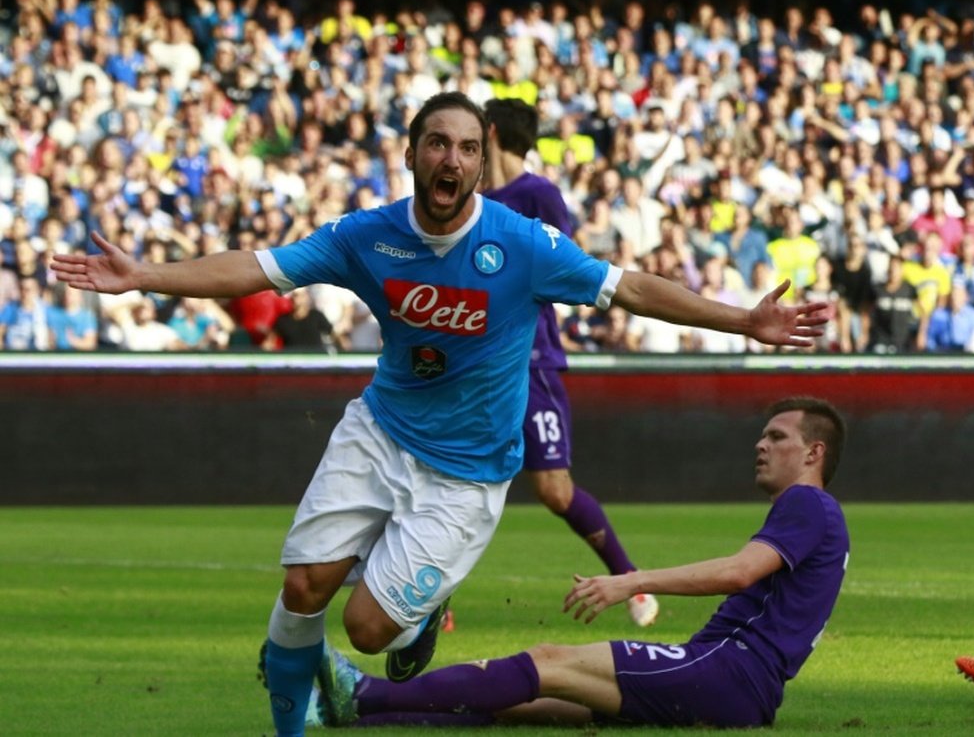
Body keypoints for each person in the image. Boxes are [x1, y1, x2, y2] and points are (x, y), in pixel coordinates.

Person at [52, 92, 825, 737]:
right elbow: (258, 268)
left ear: (481, 161)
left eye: (465, 148)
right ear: (413, 155)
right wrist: (144, 275)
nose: (450, 159)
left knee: (364, 630)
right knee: (302, 589)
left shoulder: (522, 244)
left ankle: (418, 620)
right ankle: (293, 727)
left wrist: (742, 322)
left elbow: (631, 287)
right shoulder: (369, 235)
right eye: (435, 144)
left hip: (467, 475)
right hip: (381, 432)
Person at [308, 396, 850, 730]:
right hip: (733, 683)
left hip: (727, 672)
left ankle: (363, 691)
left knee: (547, 659)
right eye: (762, 434)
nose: (760, 445)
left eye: (777, 437)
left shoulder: (808, 503)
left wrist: (629, 582)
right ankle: (354, 713)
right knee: (534, 700)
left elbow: (738, 572)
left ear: (813, 453)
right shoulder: (817, 514)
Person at [482, 97, 659, 626]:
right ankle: (424, 603)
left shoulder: (536, 194)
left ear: (488, 132)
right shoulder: (469, 198)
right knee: (452, 475)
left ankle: (630, 581)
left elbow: (569, 267)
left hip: (531, 359)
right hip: (477, 362)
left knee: (554, 490)